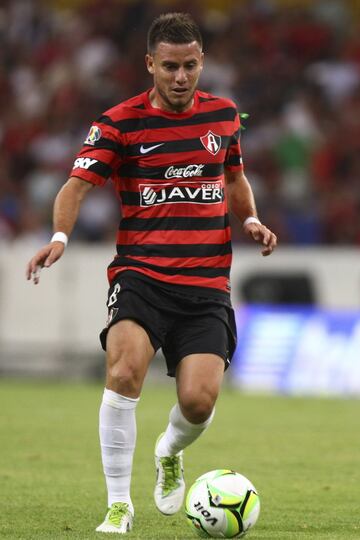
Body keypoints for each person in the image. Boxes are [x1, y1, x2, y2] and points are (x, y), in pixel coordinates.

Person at [26, 12, 277, 535]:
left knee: (198, 401)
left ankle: (169, 452)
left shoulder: (226, 115)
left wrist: (250, 218)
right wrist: (59, 237)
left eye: (190, 66)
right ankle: (119, 505)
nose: (181, 77)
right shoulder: (119, 123)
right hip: (140, 275)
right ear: (150, 64)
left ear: (202, 61)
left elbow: (234, 177)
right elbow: (75, 186)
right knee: (122, 373)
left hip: (207, 282)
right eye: (170, 67)